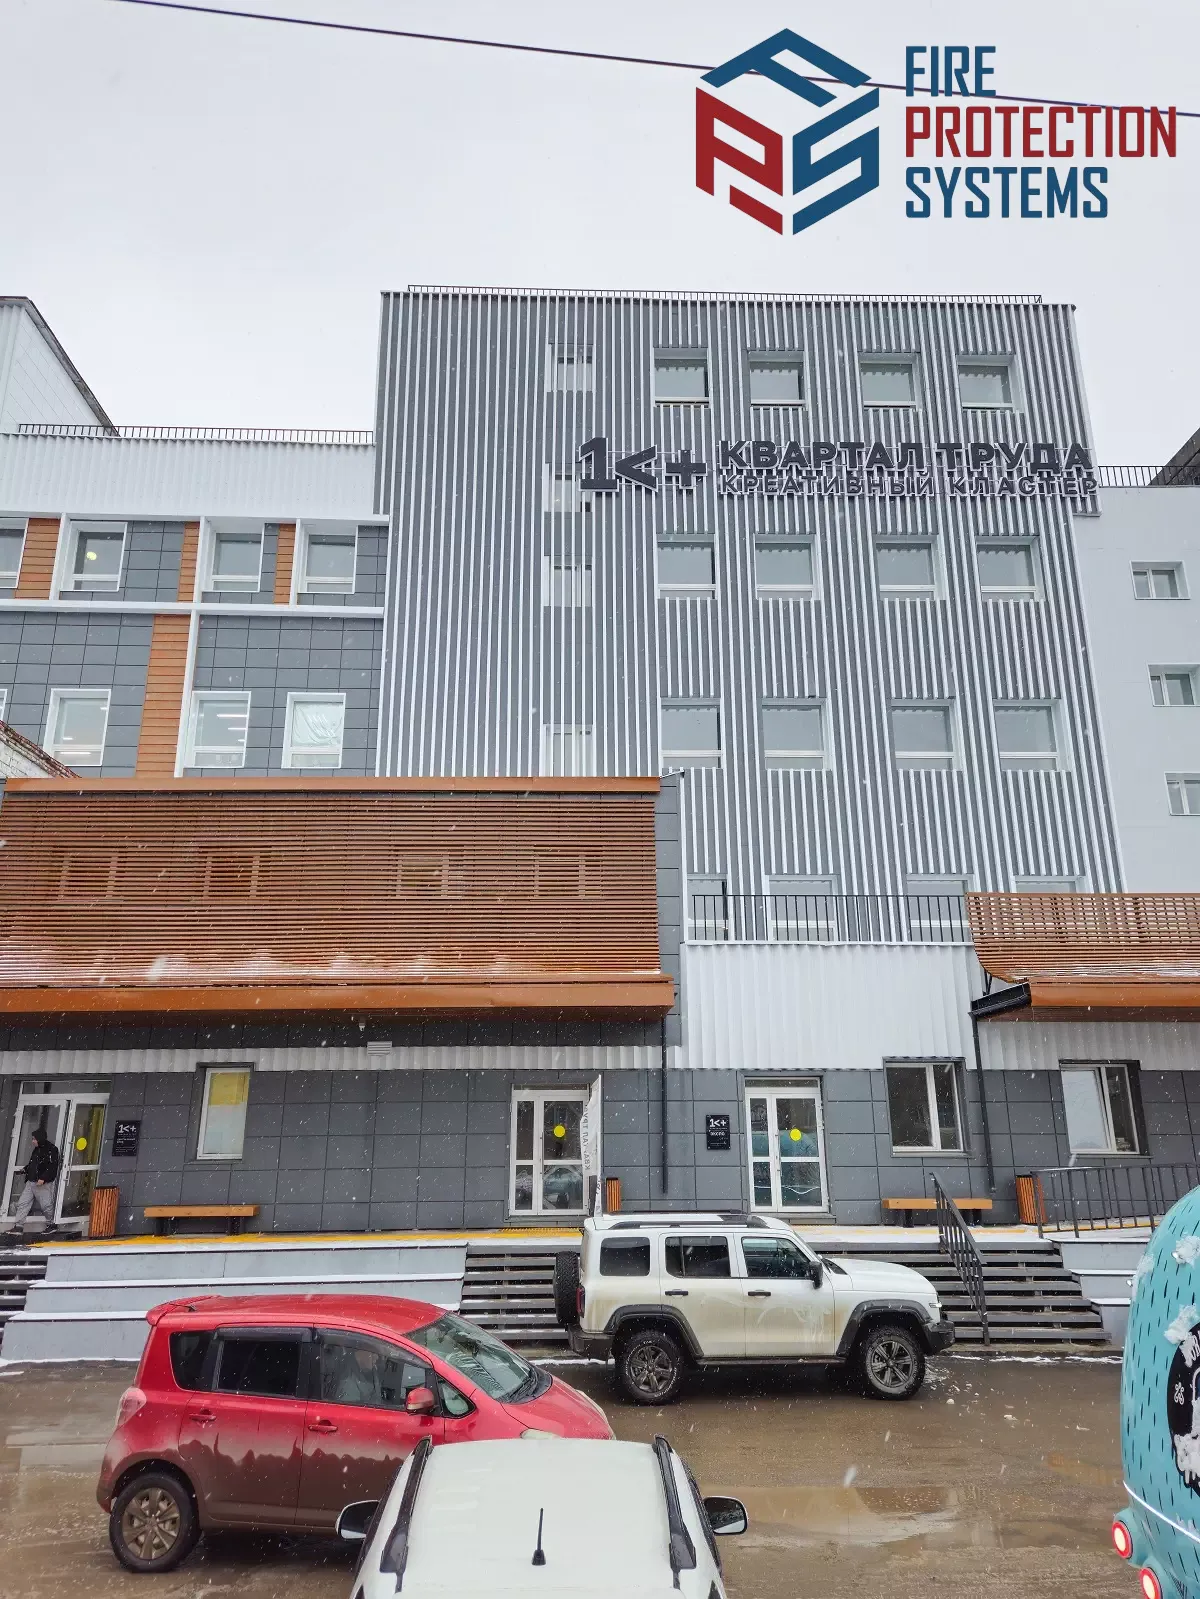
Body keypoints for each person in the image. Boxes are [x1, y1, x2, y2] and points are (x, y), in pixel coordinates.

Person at [11, 1127, 61, 1238]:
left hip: (41, 1183)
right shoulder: (37, 1149)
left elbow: (52, 1167)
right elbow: (33, 1164)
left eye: (34, 1139)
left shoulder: (52, 1150)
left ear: (40, 1139)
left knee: (46, 1205)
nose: (32, 1141)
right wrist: (25, 1169)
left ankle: (51, 1225)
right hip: (31, 1181)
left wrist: (43, 1178)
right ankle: (19, 1226)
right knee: (23, 1203)